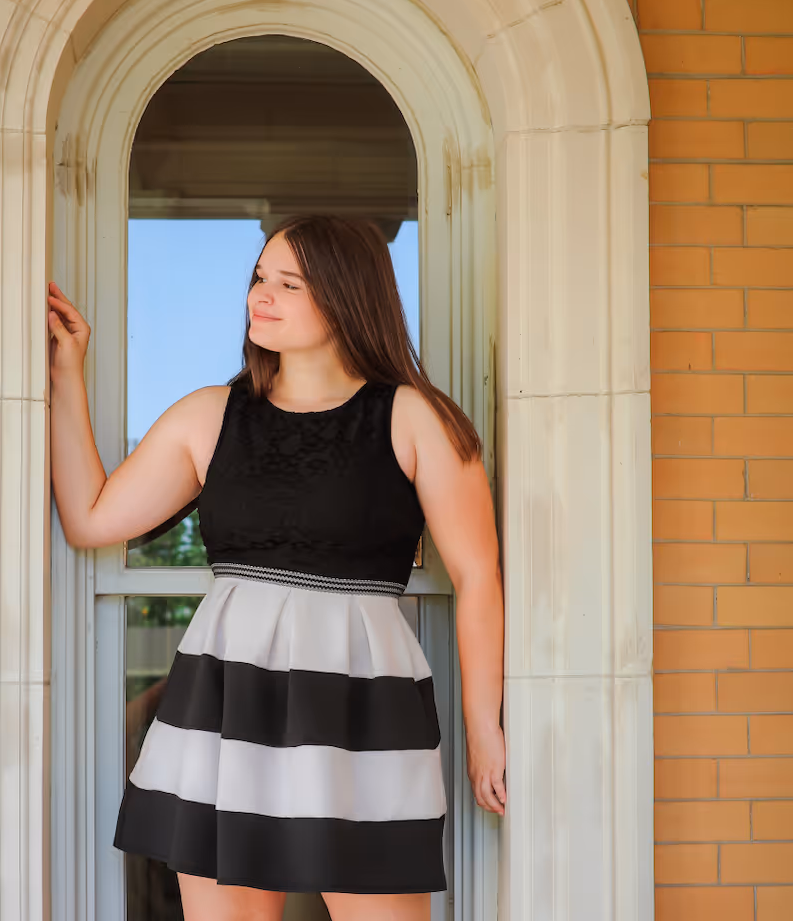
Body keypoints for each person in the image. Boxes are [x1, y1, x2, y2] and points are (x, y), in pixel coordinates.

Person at [48, 214, 506, 921]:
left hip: (362, 715)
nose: (260, 295)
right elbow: (90, 518)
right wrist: (66, 374)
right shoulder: (209, 417)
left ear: (348, 296)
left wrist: (484, 728)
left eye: (289, 284)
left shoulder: (416, 419)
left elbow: (478, 577)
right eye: (260, 277)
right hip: (226, 709)